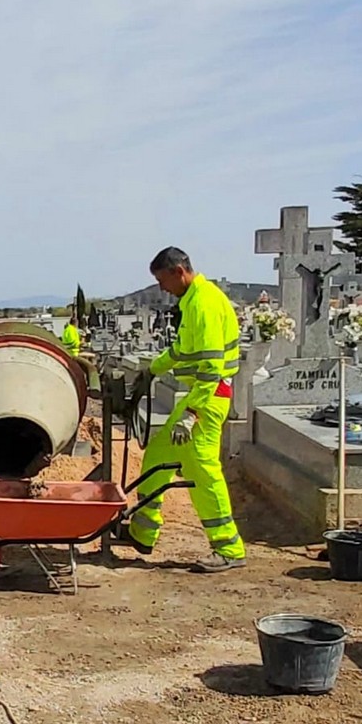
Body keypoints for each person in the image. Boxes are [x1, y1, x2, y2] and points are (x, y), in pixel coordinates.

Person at [119, 246, 246, 573]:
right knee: (158, 458)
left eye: (163, 281)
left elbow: (210, 367)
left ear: (179, 271)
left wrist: (192, 415)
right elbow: (181, 351)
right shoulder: (191, 301)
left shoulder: (203, 304)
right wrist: (152, 369)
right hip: (198, 397)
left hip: (207, 399)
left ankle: (228, 547)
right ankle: (142, 532)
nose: (162, 289)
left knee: (203, 469)